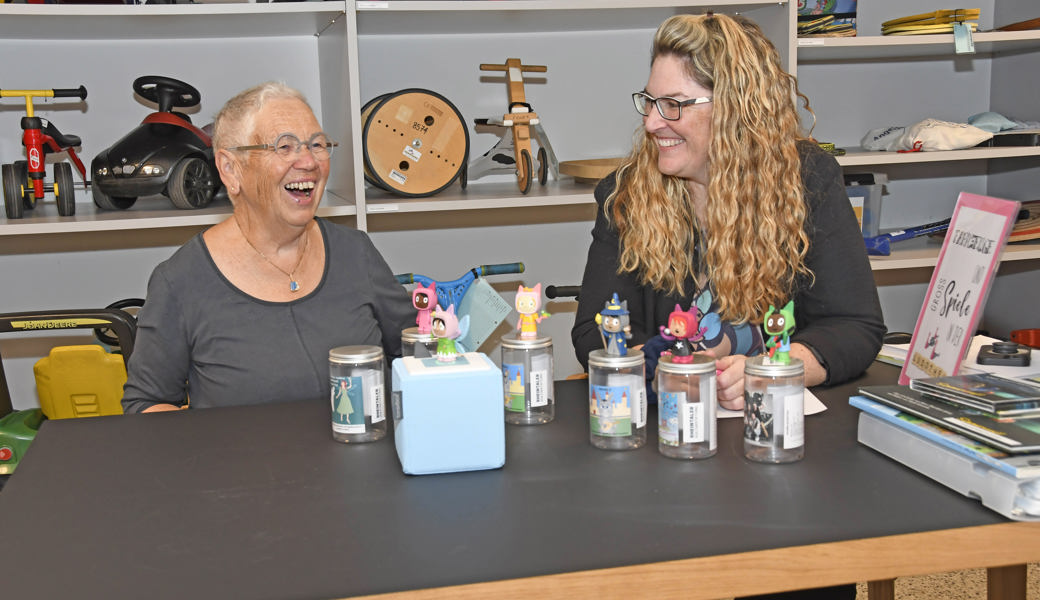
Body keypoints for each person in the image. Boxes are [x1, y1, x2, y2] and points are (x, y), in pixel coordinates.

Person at [571, 14, 885, 599]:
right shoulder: (625, 195)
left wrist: (778, 367)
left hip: (779, 461)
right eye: (649, 101)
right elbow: (593, 333)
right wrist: (665, 364)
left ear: (737, 108)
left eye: (674, 105)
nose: (650, 122)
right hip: (663, 458)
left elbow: (857, 325)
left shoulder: (806, 180)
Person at [122, 82, 413, 414]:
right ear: (231, 170)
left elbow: (413, 355)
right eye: (284, 146)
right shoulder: (181, 281)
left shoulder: (356, 252)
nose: (308, 161)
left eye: (317, 144)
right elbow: (145, 405)